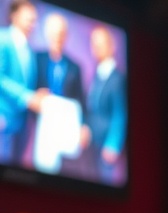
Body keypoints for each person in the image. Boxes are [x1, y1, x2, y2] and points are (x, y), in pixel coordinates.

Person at [0, 0, 48, 164]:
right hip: (4, 118)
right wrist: (27, 96)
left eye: (34, 20)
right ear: (14, 16)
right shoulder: (2, 39)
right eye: (28, 18)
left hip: (22, 123)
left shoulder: (30, 49)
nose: (32, 24)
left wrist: (37, 95)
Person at [82, 24, 126, 184]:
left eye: (101, 43)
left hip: (106, 147)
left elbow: (119, 114)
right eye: (94, 44)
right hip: (92, 145)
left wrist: (113, 144)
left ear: (111, 46)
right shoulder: (97, 74)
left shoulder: (117, 79)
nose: (97, 48)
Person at [36, 12, 84, 109]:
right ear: (47, 34)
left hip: (66, 118)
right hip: (40, 116)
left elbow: (79, 100)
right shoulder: (37, 59)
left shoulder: (74, 67)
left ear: (66, 35)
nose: (57, 38)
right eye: (54, 33)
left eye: (61, 34)